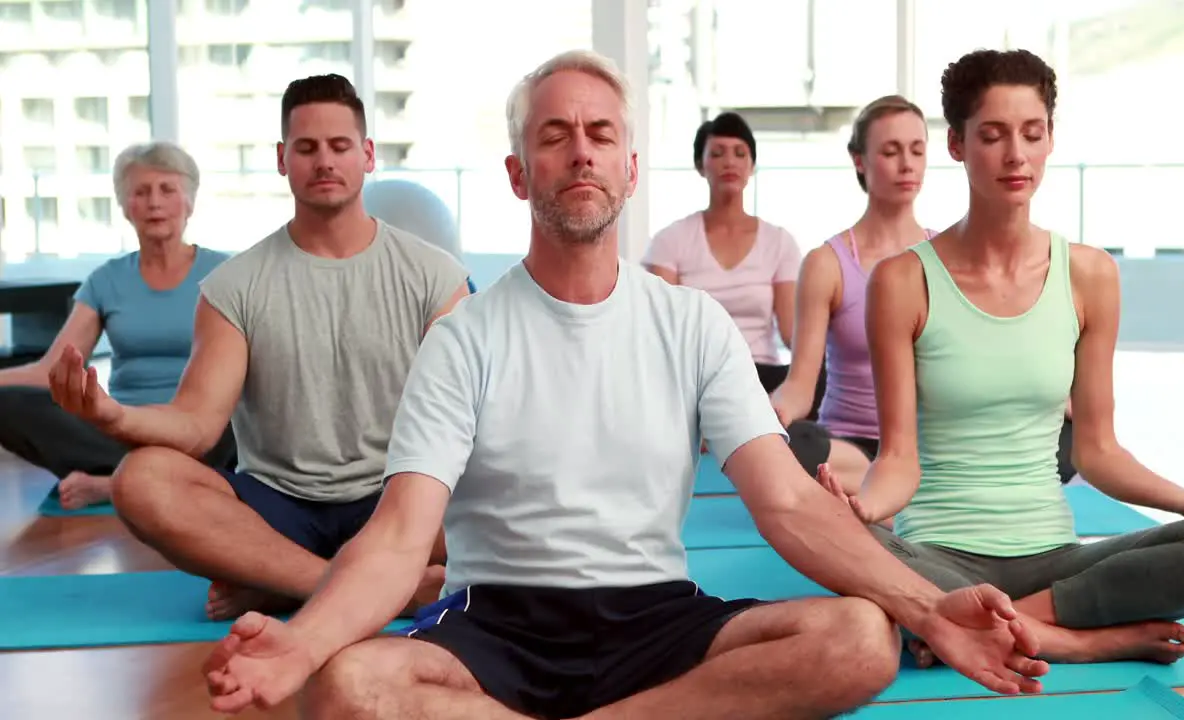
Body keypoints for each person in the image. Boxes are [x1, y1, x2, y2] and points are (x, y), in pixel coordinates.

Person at [200, 50, 1049, 720]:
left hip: (655, 619)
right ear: (517, 172)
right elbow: (396, 540)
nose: (580, 151)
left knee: (862, 637)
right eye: (555, 134)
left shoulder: (692, 325)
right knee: (347, 687)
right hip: (497, 623)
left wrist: (927, 609)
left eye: (601, 134)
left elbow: (788, 504)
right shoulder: (463, 339)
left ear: (631, 168)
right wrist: (301, 642)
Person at [825, 48, 1184, 669]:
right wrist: (861, 511)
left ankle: (968, 626)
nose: (1016, 155)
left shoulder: (1089, 274)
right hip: (938, 555)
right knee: (840, 544)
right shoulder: (902, 281)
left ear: (1050, 139)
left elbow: (1098, 451)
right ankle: (1077, 641)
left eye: (1032, 134)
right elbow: (898, 459)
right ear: (956, 145)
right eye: (993, 136)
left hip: (1057, 561)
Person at [48, 73, 470, 622]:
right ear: (282, 158)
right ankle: (350, 584)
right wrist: (111, 414)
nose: (324, 161)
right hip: (278, 505)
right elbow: (198, 426)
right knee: (140, 480)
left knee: (490, 482)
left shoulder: (434, 276)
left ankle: (274, 579)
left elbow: (463, 420)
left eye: (340, 146)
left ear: (367, 155)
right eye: (307, 148)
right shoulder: (235, 285)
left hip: (395, 501)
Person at [0, 142, 235, 510]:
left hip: (202, 432)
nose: (154, 202)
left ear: (189, 201)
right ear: (125, 207)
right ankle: (143, 476)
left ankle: (115, 484)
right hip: (123, 428)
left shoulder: (227, 274)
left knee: (243, 422)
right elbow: (51, 370)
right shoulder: (106, 281)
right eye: (141, 192)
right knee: (6, 403)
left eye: (167, 189)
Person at [771, 95, 936, 490]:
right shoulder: (826, 263)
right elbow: (800, 385)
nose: (907, 164)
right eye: (891, 151)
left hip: (928, 446)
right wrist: (769, 415)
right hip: (849, 450)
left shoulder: (950, 256)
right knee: (794, 446)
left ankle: (887, 493)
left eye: (917, 150)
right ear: (859, 160)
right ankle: (893, 492)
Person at [643, 112, 820, 414]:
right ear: (701, 165)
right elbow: (662, 330)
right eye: (717, 153)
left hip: (761, 375)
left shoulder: (779, 241)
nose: (730, 162)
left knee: (818, 373)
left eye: (740, 154)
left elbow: (792, 332)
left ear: (751, 166)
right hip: (697, 375)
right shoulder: (670, 240)